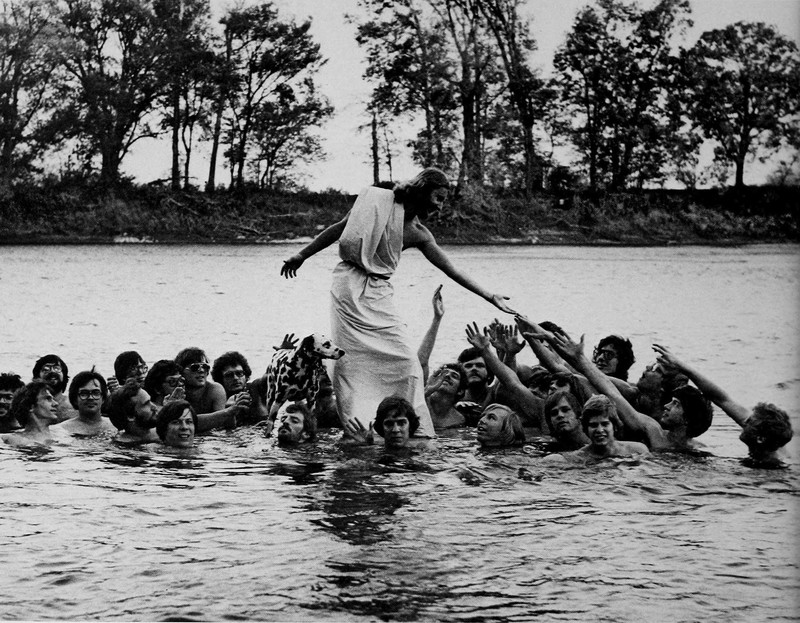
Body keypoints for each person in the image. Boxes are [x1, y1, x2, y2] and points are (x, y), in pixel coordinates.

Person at [280, 167, 514, 436]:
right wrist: (302, 255)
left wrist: (489, 295)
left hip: (379, 291)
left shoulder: (419, 233)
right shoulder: (380, 200)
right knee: (351, 362)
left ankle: (410, 428)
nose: (440, 206)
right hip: (348, 285)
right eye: (438, 198)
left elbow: (452, 269)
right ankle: (356, 426)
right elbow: (341, 228)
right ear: (423, 191)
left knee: (407, 364)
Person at [540, 331, 713, 453]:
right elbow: (610, 391)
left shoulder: (697, 450)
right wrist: (579, 359)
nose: (668, 406)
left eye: (676, 404)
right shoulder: (653, 430)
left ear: (687, 419)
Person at [653, 344, 794, 466]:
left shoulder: (774, 468)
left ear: (760, 439)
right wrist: (680, 366)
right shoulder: (765, 434)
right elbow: (719, 398)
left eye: (749, 422)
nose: (743, 421)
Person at [464, 322, 545, 431]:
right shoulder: (456, 398)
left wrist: (505, 353)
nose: (474, 369)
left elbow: (509, 382)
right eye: (468, 366)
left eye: (479, 365)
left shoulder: (539, 409)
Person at [552, 395, 650, 463]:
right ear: (586, 429)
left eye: (604, 424)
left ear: (614, 426)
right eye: (593, 425)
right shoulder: (580, 458)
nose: (599, 430)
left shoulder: (637, 450)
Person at [175, 347, 245, 429]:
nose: (201, 370)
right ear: (181, 371)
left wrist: (230, 412)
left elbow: (221, 424)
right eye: (195, 367)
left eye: (205, 367)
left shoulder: (215, 389)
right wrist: (229, 411)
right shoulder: (173, 390)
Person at [54, 369, 116, 436]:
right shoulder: (61, 430)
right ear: (75, 399)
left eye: (96, 393)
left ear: (103, 398)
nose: (90, 398)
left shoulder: (116, 426)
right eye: (84, 393)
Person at [211, 351, 266, 424]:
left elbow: (268, 377)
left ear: (246, 376)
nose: (235, 378)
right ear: (220, 379)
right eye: (229, 375)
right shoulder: (217, 401)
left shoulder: (255, 390)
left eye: (239, 373)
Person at [2, 379, 60, 447]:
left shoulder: (61, 433)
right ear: (30, 407)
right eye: (48, 398)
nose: (56, 403)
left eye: (53, 399)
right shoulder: (11, 439)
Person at [32, 354, 76, 422]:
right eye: (46, 369)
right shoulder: (30, 407)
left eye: (57, 368)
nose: (52, 371)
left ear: (64, 375)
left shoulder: (74, 406)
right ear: (37, 376)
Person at [424, 364, 468, 429]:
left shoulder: (458, 419)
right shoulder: (420, 401)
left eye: (454, 376)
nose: (447, 375)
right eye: (443, 373)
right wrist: (426, 391)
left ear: (460, 391)